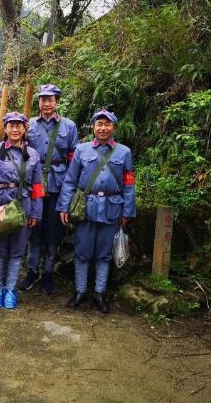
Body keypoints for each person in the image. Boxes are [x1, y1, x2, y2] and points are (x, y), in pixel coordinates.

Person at [57, 109, 136, 313]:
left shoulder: (124, 152)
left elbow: (129, 184)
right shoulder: (81, 150)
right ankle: (80, 291)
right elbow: (70, 180)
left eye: (107, 124)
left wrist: (127, 212)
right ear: (93, 127)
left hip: (112, 209)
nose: (103, 128)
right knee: (82, 251)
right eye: (99, 124)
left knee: (104, 253)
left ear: (113, 128)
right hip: (85, 208)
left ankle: (100, 293)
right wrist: (64, 206)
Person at [0, 112, 44, 309]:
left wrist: (36, 212)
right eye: (11, 126)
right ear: (5, 128)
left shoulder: (33, 154)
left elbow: (38, 186)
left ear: (25, 129)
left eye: (18, 126)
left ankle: (10, 290)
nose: (15, 129)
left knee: (17, 251)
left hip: (23, 207)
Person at [19, 84, 78, 295]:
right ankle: (32, 270)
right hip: (34, 183)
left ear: (56, 102)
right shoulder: (28, 124)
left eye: (50, 99)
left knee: (53, 232)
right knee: (34, 227)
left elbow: (73, 159)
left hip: (58, 184)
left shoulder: (68, 126)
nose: (46, 103)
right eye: (43, 99)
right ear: (39, 102)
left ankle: (48, 272)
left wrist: (71, 188)